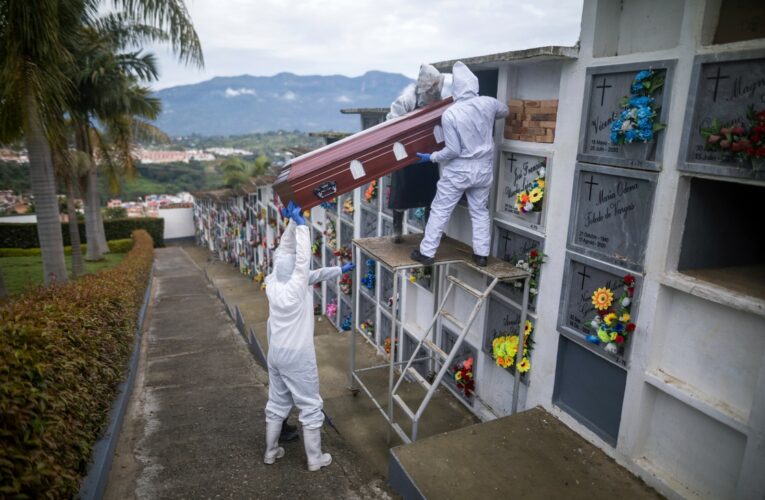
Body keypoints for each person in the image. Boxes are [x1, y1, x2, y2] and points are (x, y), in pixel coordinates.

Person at [263, 201, 354, 471]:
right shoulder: (294, 286)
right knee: (310, 405)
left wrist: (339, 270)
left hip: (276, 353)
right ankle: (315, 459)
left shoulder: (273, 282)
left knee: (277, 403)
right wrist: (302, 228)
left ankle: (270, 452)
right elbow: (301, 262)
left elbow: (287, 255)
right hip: (297, 356)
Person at [411, 61, 508, 267]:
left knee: (440, 210)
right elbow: (505, 111)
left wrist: (431, 157)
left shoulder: (451, 114)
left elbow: (453, 150)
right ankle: (481, 255)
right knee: (480, 211)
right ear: (474, 85)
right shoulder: (488, 103)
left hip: (459, 170)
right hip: (483, 169)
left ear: (456, 88)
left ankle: (427, 253)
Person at [386, 64, 444, 243]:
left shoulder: (438, 98)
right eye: (431, 89)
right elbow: (392, 122)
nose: (433, 92)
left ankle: (429, 230)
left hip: (427, 153)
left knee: (429, 193)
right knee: (401, 193)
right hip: (406, 152)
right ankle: (397, 231)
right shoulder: (406, 99)